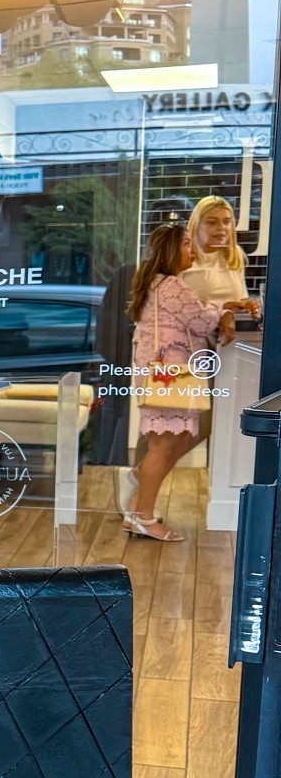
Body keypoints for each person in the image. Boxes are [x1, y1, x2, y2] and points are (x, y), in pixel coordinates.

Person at [125, 222, 234, 543]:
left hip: (166, 374)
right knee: (165, 444)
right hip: (170, 375)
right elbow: (202, 321)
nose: (191, 250)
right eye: (186, 244)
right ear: (170, 250)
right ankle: (143, 517)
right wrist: (222, 307)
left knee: (177, 438)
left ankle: (139, 494)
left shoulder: (158, 283)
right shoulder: (172, 285)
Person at [183, 195, 256, 314]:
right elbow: (172, 308)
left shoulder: (234, 253)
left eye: (227, 222)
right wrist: (221, 309)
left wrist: (248, 308)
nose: (221, 228)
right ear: (196, 225)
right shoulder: (183, 256)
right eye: (212, 222)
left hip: (231, 325)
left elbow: (241, 299)